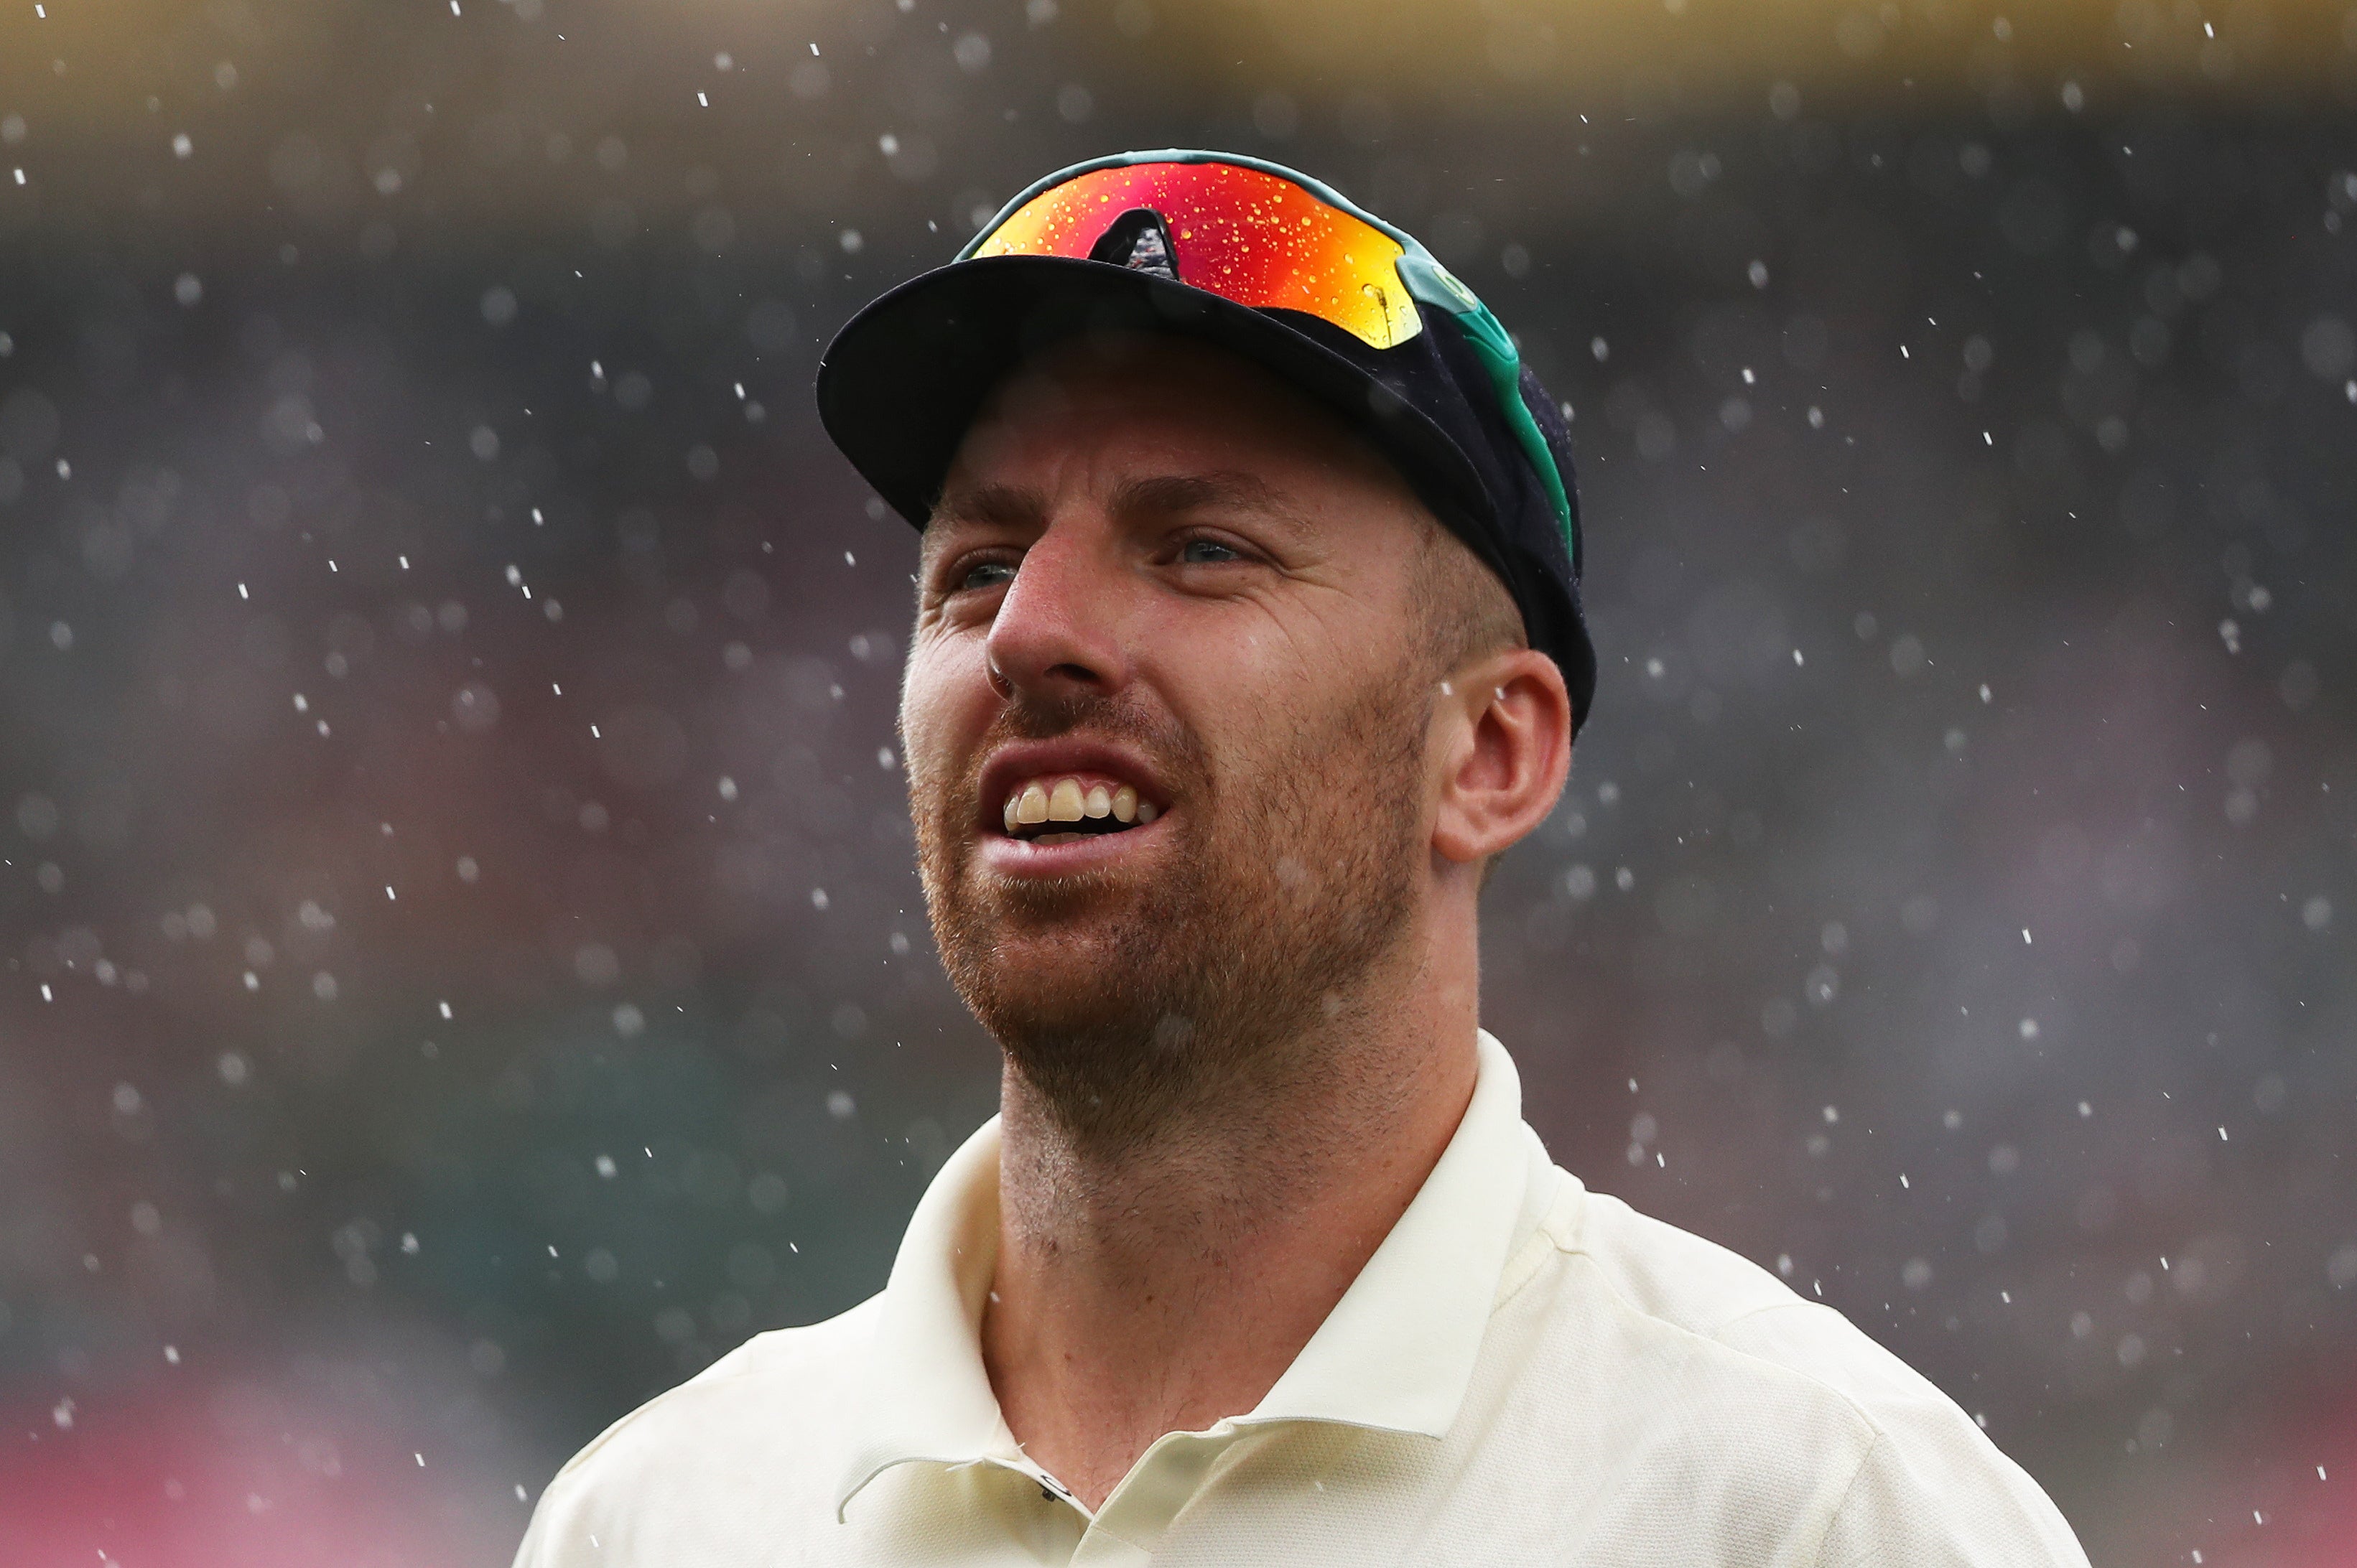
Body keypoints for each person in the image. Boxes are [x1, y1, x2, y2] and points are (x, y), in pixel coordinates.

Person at [513, 151, 2090, 1567]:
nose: (1031, 633)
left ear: (1487, 755)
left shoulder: (1809, 1510)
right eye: (977, 565)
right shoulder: (658, 1522)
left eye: (1204, 549)